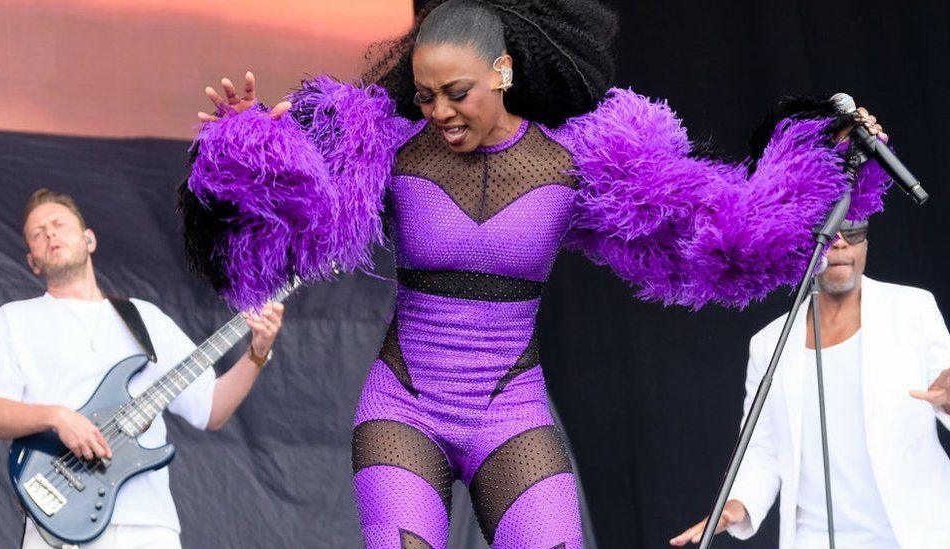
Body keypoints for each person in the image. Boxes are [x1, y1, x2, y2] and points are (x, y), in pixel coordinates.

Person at [180, 1, 890, 547]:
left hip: (510, 412)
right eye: (424, 95)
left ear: (504, 70)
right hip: (403, 409)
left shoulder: (578, 160)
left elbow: (722, 231)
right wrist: (250, 153)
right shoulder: (388, 149)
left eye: (455, 91)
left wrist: (828, 164)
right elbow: (284, 232)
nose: (439, 112)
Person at [0, 189, 285, 549]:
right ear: (33, 261)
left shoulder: (146, 319)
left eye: (58, 224)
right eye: (38, 233)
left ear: (89, 239)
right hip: (58, 520)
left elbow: (211, 410)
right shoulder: (15, 320)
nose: (50, 235)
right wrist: (58, 417)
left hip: (148, 525)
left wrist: (256, 353)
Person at [670, 219, 950, 548]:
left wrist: (946, 401)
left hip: (912, 536)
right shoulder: (770, 343)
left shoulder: (912, 309)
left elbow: (943, 388)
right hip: (814, 540)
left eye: (855, 230)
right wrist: (736, 506)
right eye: (830, 231)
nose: (841, 243)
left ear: (866, 245)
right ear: (803, 248)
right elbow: (761, 448)